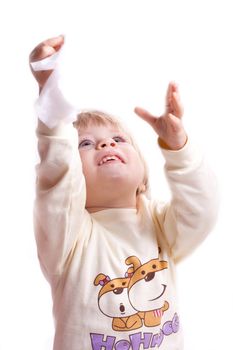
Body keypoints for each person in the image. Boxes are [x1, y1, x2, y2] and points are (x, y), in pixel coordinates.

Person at [30, 36, 218, 350]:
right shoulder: (68, 237)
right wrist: (50, 91)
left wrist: (179, 148)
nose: (106, 145)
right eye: (86, 144)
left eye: (119, 139)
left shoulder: (159, 225)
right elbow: (57, 172)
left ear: (143, 176)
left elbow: (203, 208)